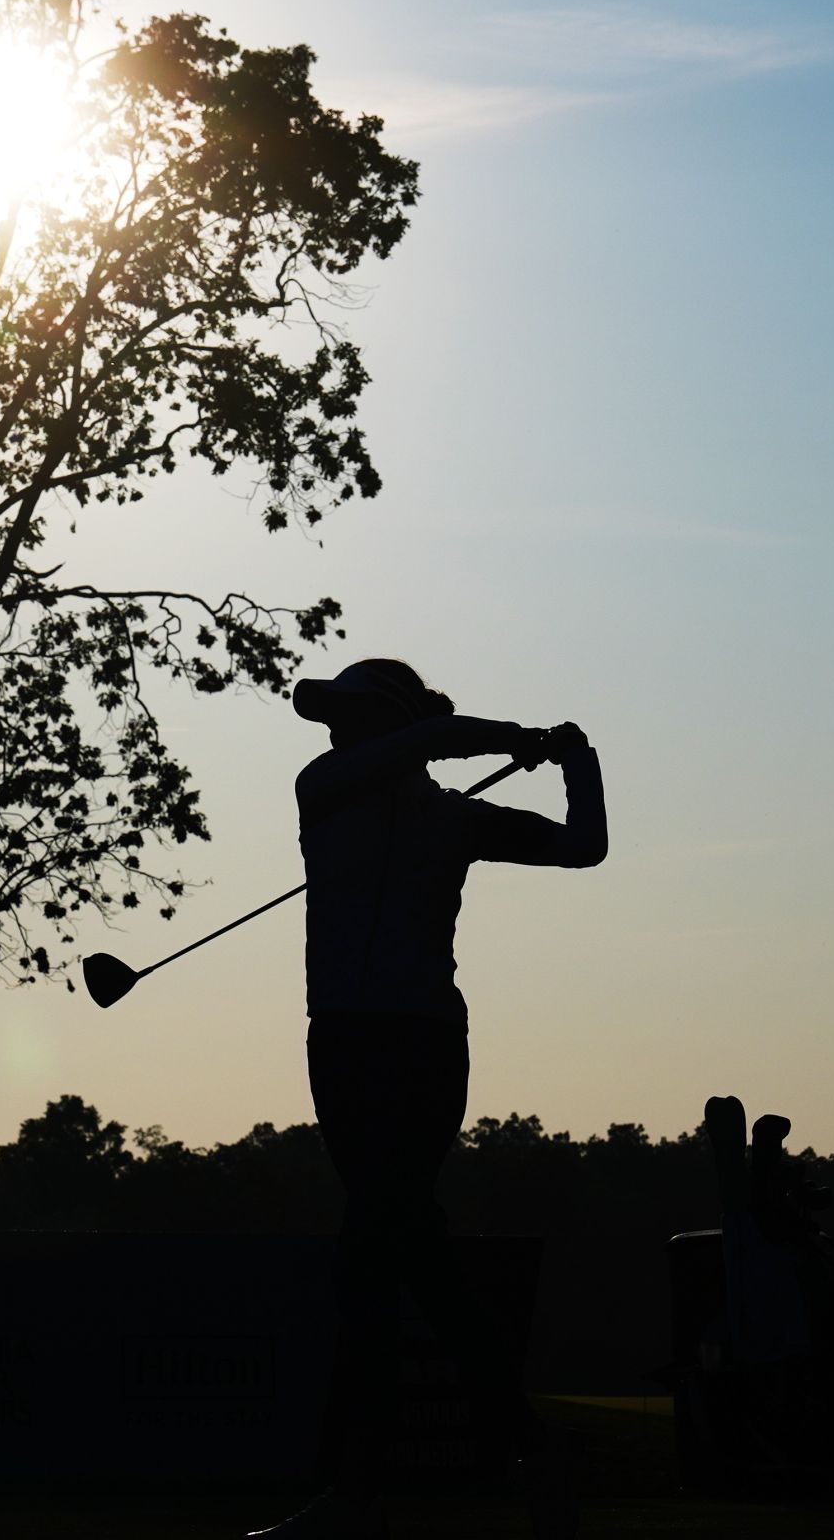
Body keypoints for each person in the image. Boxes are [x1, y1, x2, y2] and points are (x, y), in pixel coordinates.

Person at [251, 658, 607, 1539]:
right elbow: (446, 739)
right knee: (412, 1253)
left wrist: (579, 764)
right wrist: (526, 741)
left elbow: (583, 846)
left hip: (418, 1043)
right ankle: (529, 1444)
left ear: (382, 721)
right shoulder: (322, 786)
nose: (333, 728)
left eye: (352, 714)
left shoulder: (453, 818)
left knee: (370, 1254)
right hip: (339, 1039)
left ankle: (359, 1493)